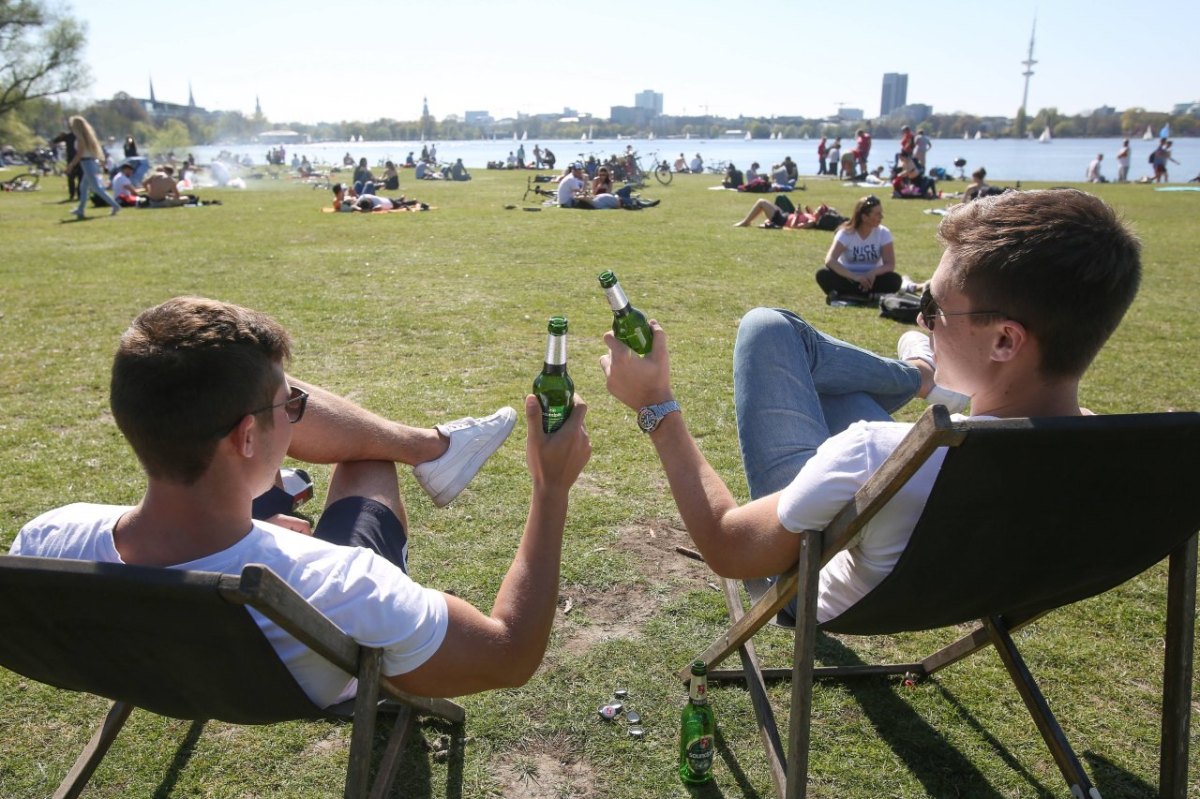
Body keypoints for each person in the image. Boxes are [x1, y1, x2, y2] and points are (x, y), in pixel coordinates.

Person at [599, 188, 1140, 628]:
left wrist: (655, 405)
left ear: (1004, 342)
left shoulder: (876, 452)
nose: (922, 321)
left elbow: (728, 548)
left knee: (768, 329)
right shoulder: (1127, 454)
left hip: (809, 581)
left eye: (933, 306)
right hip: (966, 587)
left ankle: (914, 376)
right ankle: (915, 376)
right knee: (845, 394)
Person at [12, 297, 591, 705]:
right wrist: (551, 486)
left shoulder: (46, 537)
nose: (296, 419)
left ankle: (427, 447)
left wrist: (256, 529)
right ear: (245, 437)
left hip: (155, 667)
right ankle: (433, 450)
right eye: (290, 408)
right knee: (367, 458)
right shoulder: (346, 587)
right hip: (297, 663)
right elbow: (510, 655)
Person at [816, 195, 902, 300]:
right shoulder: (846, 233)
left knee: (895, 280)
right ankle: (867, 296)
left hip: (872, 280)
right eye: (877, 214)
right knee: (822, 274)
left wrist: (872, 273)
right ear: (864, 217)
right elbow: (830, 260)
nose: (881, 217)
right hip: (848, 278)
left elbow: (890, 264)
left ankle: (849, 295)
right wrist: (855, 277)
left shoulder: (883, 233)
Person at [65, 115, 120, 219]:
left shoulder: (80, 138)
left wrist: (71, 165)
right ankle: (80, 210)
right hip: (91, 162)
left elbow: (79, 154)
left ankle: (115, 205)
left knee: (96, 188)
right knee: (83, 187)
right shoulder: (88, 137)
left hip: (87, 163)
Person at [732, 198, 822, 229]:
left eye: (820, 209)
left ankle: (745, 222)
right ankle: (747, 221)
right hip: (784, 215)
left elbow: (794, 227)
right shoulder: (813, 217)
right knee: (768, 203)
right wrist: (803, 212)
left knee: (761, 202)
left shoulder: (811, 222)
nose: (818, 208)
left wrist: (797, 215)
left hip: (781, 220)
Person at [51, 129, 82, 201]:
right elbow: (55, 141)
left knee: (80, 178)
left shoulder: (81, 135)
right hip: (71, 160)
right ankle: (72, 194)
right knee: (71, 178)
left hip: (80, 159)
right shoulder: (68, 136)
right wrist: (60, 136)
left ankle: (79, 195)